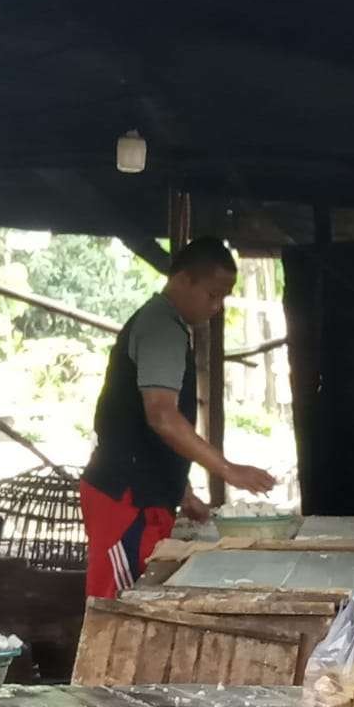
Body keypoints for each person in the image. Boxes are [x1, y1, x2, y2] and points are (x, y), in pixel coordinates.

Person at [79, 237, 275, 598]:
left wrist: (182, 490)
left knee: (136, 598)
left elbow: (147, 424)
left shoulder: (167, 324)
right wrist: (228, 469)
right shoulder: (162, 327)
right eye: (212, 294)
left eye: (224, 298)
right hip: (126, 497)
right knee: (118, 606)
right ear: (183, 280)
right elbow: (161, 417)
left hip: (140, 493)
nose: (217, 307)